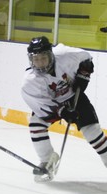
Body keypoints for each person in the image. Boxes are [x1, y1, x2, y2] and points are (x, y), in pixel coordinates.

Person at [21, 36, 107, 181]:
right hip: (55, 103)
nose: (40, 63)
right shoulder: (30, 81)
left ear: (50, 54)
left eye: (43, 58)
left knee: (92, 131)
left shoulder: (64, 54)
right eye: (36, 59)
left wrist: (84, 75)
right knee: (36, 125)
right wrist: (62, 111)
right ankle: (47, 159)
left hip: (75, 96)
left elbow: (86, 58)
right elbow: (44, 105)